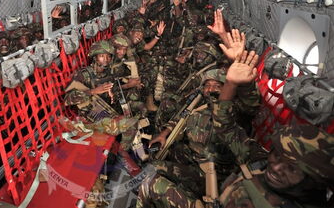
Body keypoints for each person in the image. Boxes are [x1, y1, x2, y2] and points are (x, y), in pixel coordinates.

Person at [137, 50, 334, 208]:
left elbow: (247, 107)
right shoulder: (259, 162)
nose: (276, 167)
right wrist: (164, 133)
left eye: (291, 168)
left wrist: (240, 84)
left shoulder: (236, 109)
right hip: (200, 169)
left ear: (313, 180)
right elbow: (218, 125)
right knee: (152, 170)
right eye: (276, 156)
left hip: (217, 171)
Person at [64, 40, 141, 175]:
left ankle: (121, 151)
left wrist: (111, 92)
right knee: (131, 124)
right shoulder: (84, 74)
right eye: (102, 56)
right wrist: (93, 91)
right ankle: (122, 154)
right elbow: (68, 99)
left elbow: (110, 88)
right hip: (89, 119)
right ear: (94, 57)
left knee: (135, 110)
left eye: (108, 56)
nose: (105, 59)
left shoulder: (107, 73)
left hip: (104, 111)